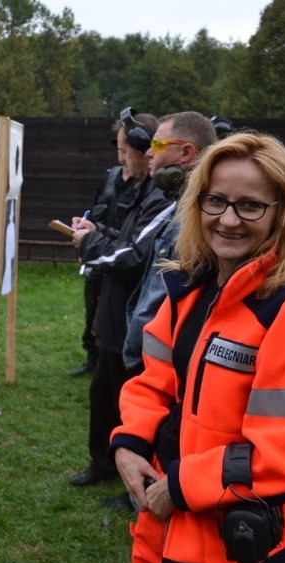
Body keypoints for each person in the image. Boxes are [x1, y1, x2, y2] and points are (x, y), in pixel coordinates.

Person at [110, 132, 285, 563]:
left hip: (241, 541)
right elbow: (151, 384)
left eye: (250, 205)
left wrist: (179, 486)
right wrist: (129, 445)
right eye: (215, 200)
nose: (228, 220)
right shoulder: (189, 291)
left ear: (282, 215)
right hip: (166, 523)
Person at [108, 111, 218, 512]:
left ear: (187, 153)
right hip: (160, 356)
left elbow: (169, 299)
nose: (148, 154)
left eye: (156, 145)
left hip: (171, 360)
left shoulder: (196, 216)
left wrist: (139, 347)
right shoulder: (180, 207)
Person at [68, 108, 170, 486]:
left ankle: (135, 478)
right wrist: (97, 230)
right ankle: (104, 464)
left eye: (126, 149)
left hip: (134, 314)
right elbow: (126, 237)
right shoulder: (137, 185)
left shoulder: (159, 194)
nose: (120, 156)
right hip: (116, 308)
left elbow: (133, 256)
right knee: (104, 394)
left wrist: (90, 242)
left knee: (131, 400)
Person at [70, 120, 145, 377]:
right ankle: (92, 357)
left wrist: (94, 237)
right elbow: (95, 210)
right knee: (92, 305)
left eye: (125, 148)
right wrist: (85, 223)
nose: (120, 154)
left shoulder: (144, 183)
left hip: (116, 253)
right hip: (99, 255)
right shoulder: (109, 177)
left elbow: (133, 241)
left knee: (115, 312)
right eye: (118, 147)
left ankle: (110, 358)